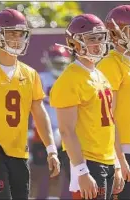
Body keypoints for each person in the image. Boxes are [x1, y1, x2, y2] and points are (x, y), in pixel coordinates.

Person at [0, 8, 60, 199]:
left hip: (19, 152)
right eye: (11, 33)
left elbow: (39, 113)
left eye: (20, 33)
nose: (17, 38)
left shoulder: (30, 74)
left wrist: (51, 150)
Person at [50, 14, 124, 200]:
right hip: (87, 160)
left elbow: (110, 123)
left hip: (106, 159)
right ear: (74, 43)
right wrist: (81, 171)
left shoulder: (100, 75)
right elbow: (66, 131)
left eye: (100, 38)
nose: (98, 43)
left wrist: (115, 163)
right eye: (91, 38)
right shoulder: (70, 79)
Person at [29, 45, 71, 199]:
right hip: (41, 133)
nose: (59, 66)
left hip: (65, 133)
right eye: (56, 63)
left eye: (61, 63)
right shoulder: (40, 78)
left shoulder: (70, 80)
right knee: (35, 174)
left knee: (58, 174)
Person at [97, 5, 130, 199]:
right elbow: (109, 116)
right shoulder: (111, 64)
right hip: (123, 150)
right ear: (114, 33)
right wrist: (118, 160)